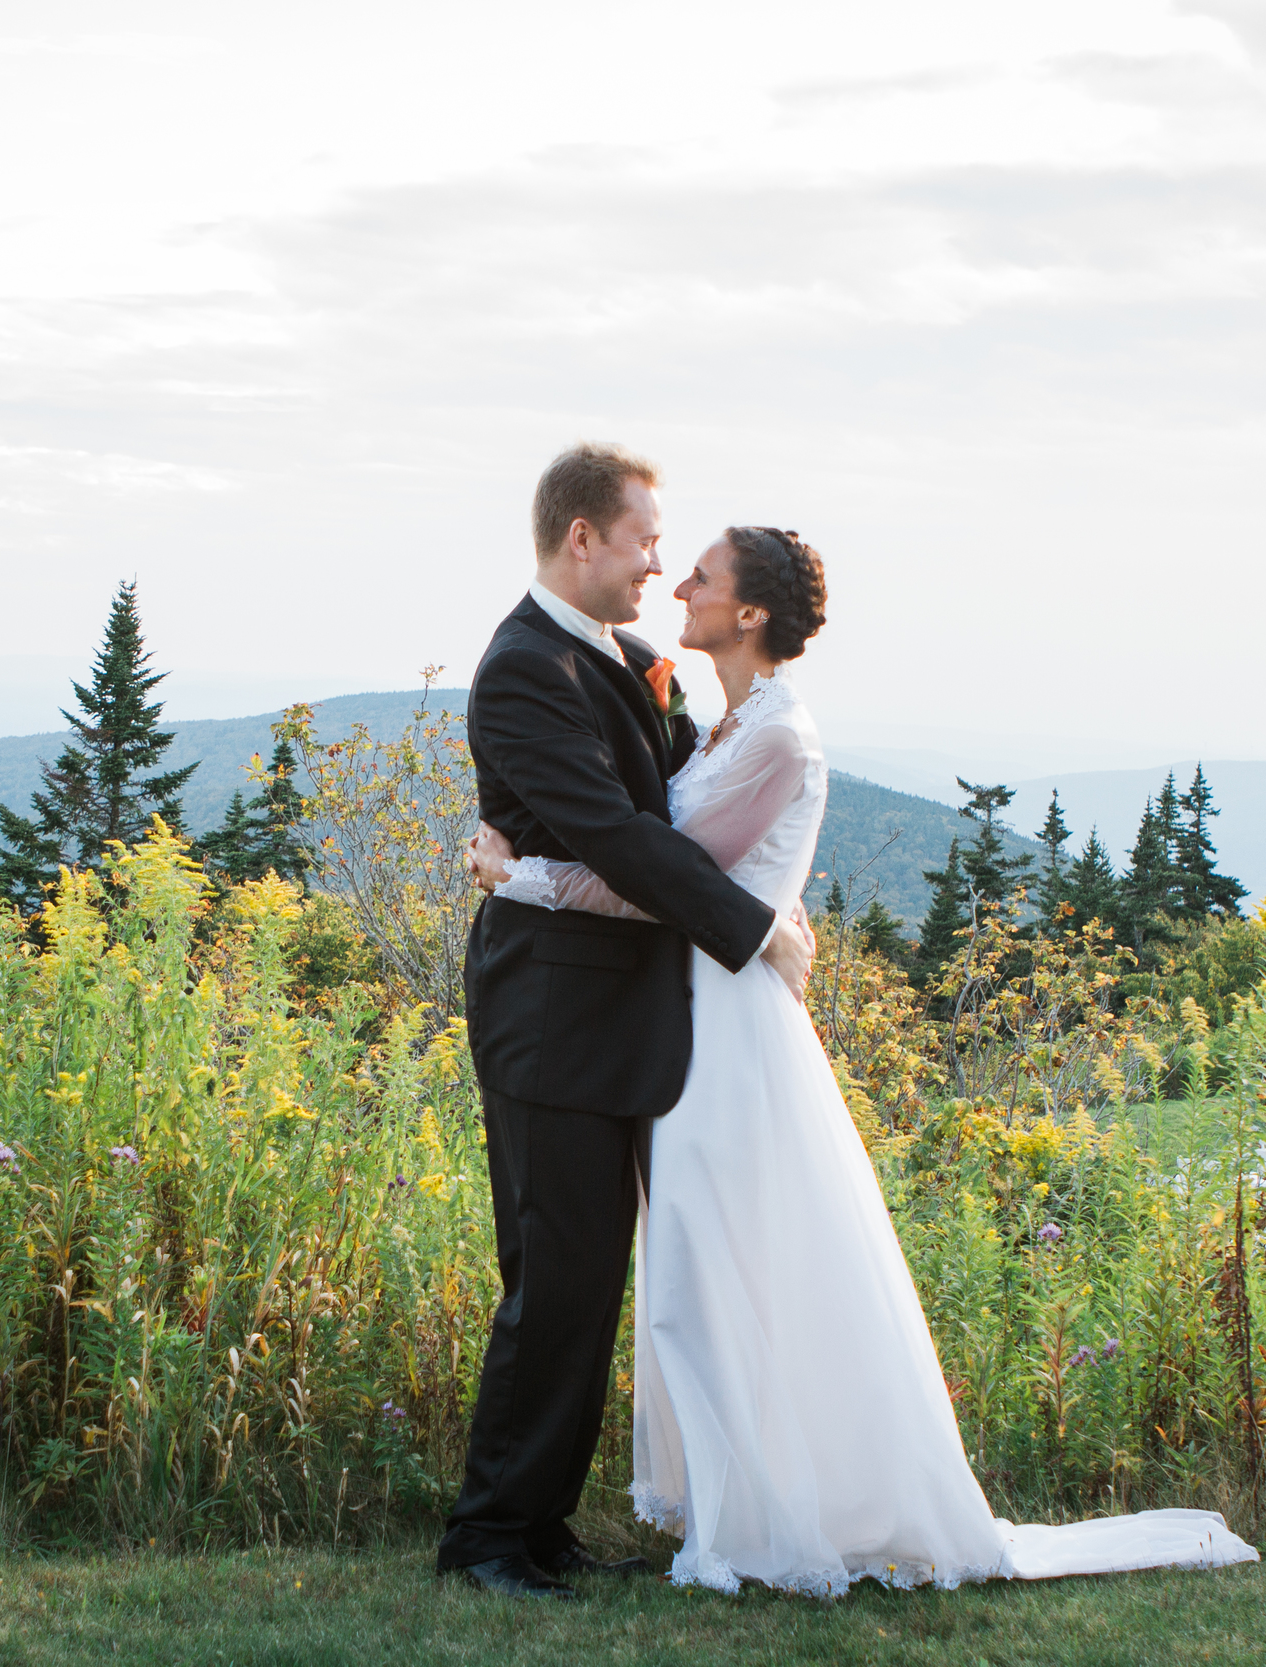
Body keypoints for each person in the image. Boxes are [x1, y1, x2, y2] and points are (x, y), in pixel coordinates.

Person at [466, 523, 1260, 1595]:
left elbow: (654, 873)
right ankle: (720, 1505)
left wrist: (518, 875)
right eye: (666, 552)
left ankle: (766, 1510)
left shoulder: (779, 734)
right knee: (695, 1272)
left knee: (723, 1267)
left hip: (723, 1030)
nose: (676, 580)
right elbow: (644, 834)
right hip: (675, 1018)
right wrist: (754, 909)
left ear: (748, 613)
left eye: (699, 571)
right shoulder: (711, 719)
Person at [436, 444, 819, 1599]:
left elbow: (694, 817)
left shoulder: (639, 659)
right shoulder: (519, 670)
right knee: (550, 1276)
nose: (660, 559)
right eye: (647, 538)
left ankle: (542, 1520)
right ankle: (488, 1534)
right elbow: (617, 836)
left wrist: (766, 899)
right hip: (551, 1015)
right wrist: (750, 929)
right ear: (581, 538)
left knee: (590, 1277)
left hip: (625, 1020)